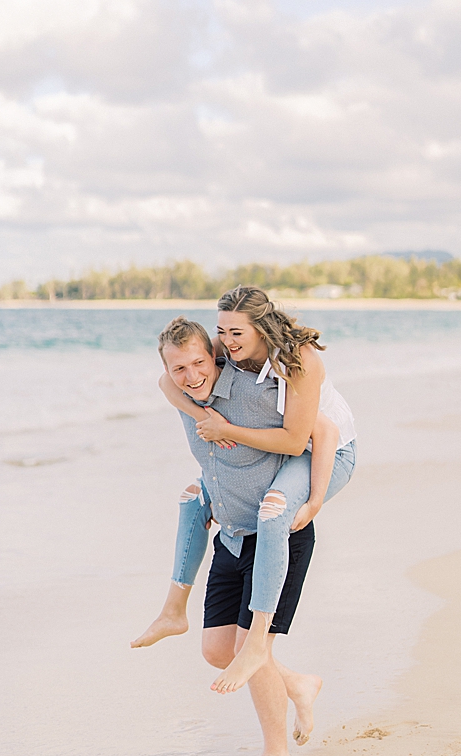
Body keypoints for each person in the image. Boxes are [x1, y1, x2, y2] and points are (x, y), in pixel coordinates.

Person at [134, 311, 328, 756]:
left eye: (199, 363)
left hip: (279, 534)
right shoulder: (183, 394)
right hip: (233, 535)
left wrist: (317, 497)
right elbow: (170, 382)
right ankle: (299, 684)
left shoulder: (251, 393)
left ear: (216, 356)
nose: (191, 376)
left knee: (250, 647)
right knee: (218, 649)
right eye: (179, 369)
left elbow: (318, 431)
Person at [134, 289, 357, 701]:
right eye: (221, 331)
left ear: (261, 327)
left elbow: (309, 437)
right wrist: (206, 418)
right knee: (193, 497)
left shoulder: (298, 361)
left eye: (236, 332)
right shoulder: (224, 350)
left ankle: (257, 641)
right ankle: (172, 611)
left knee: (273, 512)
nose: (227, 341)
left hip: (327, 451)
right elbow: (169, 378)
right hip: (285, 446)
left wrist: (315, 500)